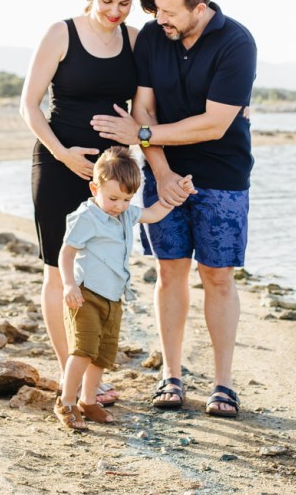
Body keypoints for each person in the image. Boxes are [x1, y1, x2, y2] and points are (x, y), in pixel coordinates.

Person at [90, 0, 257, 418]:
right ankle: (171, 375)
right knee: (169, 272)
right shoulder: (152, 38)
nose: (158, 18)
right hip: (164, 170)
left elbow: (214, 123)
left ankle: (223, 384)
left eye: (169, 12)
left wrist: (142, 136)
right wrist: (161, 172)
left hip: (222, 177)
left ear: (199, 8)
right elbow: (142, 108)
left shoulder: (237, 42)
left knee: (218, 276)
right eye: (156, 9)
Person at [19, 0, 154, 406]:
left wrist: (136, 133)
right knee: (59, 270)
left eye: (125, 3)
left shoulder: (136, 41)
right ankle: (69, 377)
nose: (115, 11)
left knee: (101, 272)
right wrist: (63, 153)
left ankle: (91, 377)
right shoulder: (61, 34)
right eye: (107, 1)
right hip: (59, 165)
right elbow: (29, 105)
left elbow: (145, 108)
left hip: (114, 174)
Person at [54, 147, 195, 431]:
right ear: (95, 188)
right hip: (86, 295)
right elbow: (66, 253)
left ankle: (89, 400)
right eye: (113, 198)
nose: (119, 205)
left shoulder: (127, 214)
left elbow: (153, 213)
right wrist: (69, 284)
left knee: (102, 355)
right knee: (82, 351)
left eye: (127, 199)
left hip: (113, 297)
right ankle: (67, 401)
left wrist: (178, 192)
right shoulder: (87, 217)